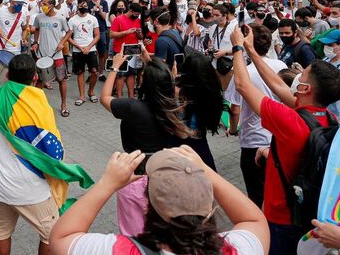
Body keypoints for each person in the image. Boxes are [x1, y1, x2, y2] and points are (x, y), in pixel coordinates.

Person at [230, 25, 340, 255]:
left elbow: (243, 85)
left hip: (281, 217)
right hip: (307, 212)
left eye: (302, 74)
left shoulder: (289, 120)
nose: (297, 75)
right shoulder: (328, 118)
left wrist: (237, 47)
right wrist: (252, 50)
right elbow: (277, 85)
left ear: (304, 88)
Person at [50, 146, 269, 255]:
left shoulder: (122, 250)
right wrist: (204, 171)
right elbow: (254, 220)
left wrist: (107, 183)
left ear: (150, 205)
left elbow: (61, 237)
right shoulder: (236, 249)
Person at [0, 55, 73, 255]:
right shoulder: (40, 104)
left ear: (7, 74)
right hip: (31, 188)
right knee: (52, 234)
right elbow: (50, 148)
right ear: (34, 78)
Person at [100, 53, 191, 236]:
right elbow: (165, 82)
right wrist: (157, 66)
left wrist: (115, 67)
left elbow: (104, 98)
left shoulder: (132, 107)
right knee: (162, 229)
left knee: (133, 235)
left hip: (135, 174)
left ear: (144, 82)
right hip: (164, 173)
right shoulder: (174, 107)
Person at [224, 23, 288, 208]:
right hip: (279, 137)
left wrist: (233, 129)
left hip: (254, 139)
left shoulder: (244, 72)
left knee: (257, 194)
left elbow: (234, 109)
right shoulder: (281, 65)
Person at [175, 54, 223, 170]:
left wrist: (174, 77)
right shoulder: (212, 90)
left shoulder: (179, 91)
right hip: (200, 139)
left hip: (180, 141)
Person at [32, 0, 70, 115]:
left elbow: (69, 32)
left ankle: (64, 105)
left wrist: (62, 43)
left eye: (45, 4)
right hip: (41, 54)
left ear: (52, 5)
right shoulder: (39, 17)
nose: (42, 6)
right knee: (39, 81)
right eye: (42, 4)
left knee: (61, 79)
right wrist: (35, 42)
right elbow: (36, 29)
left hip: (57, 55)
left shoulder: (60, 18)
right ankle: (37, 106)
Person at [69, 0, 101, 109]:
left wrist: (88, 47)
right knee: (80, 73)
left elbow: (97, 35)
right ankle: (81, 96)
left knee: (94, 72)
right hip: (78, 50)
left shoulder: (92, 19)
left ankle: (91, 91)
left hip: (91, 49)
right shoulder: (72, 20)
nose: (84, 7)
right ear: (78, 6)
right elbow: (68, 37)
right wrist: (79, 47)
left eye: (86, 5)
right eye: (82, 5)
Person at [109, 2, 144, 98]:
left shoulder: (138, 20)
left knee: (132, 74)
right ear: (131, 11)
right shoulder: (119, 19)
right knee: (121, 75)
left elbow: (141, 37)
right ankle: (119, 97)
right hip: (121, 50)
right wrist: (126, 32)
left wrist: (139, 33)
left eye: (138, 15)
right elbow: (111, 34)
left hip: (134, 49)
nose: (137, 16)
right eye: (136, 14)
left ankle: (131, 97)